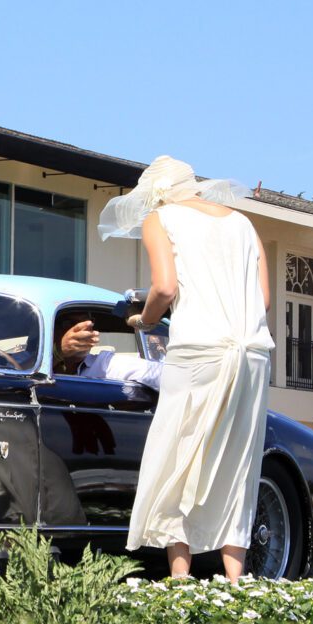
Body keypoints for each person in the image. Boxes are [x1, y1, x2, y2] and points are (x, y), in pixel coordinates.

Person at [100, 155, 272, 583]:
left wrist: (146, 319)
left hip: (199, 350)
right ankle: (237, 580)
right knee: (238, 460)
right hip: (252, 352)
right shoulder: (243, 223)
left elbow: (164, 287)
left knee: (178, 453)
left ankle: (181, 575)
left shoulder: (161, 218)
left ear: (156, 192)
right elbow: (264, 301)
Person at [56, 317, 163, 390]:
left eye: (88, 322)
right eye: (70, 323)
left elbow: (163, 375)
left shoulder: (104, 364)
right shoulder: (47, 363)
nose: (84, 330)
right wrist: (58, 352)